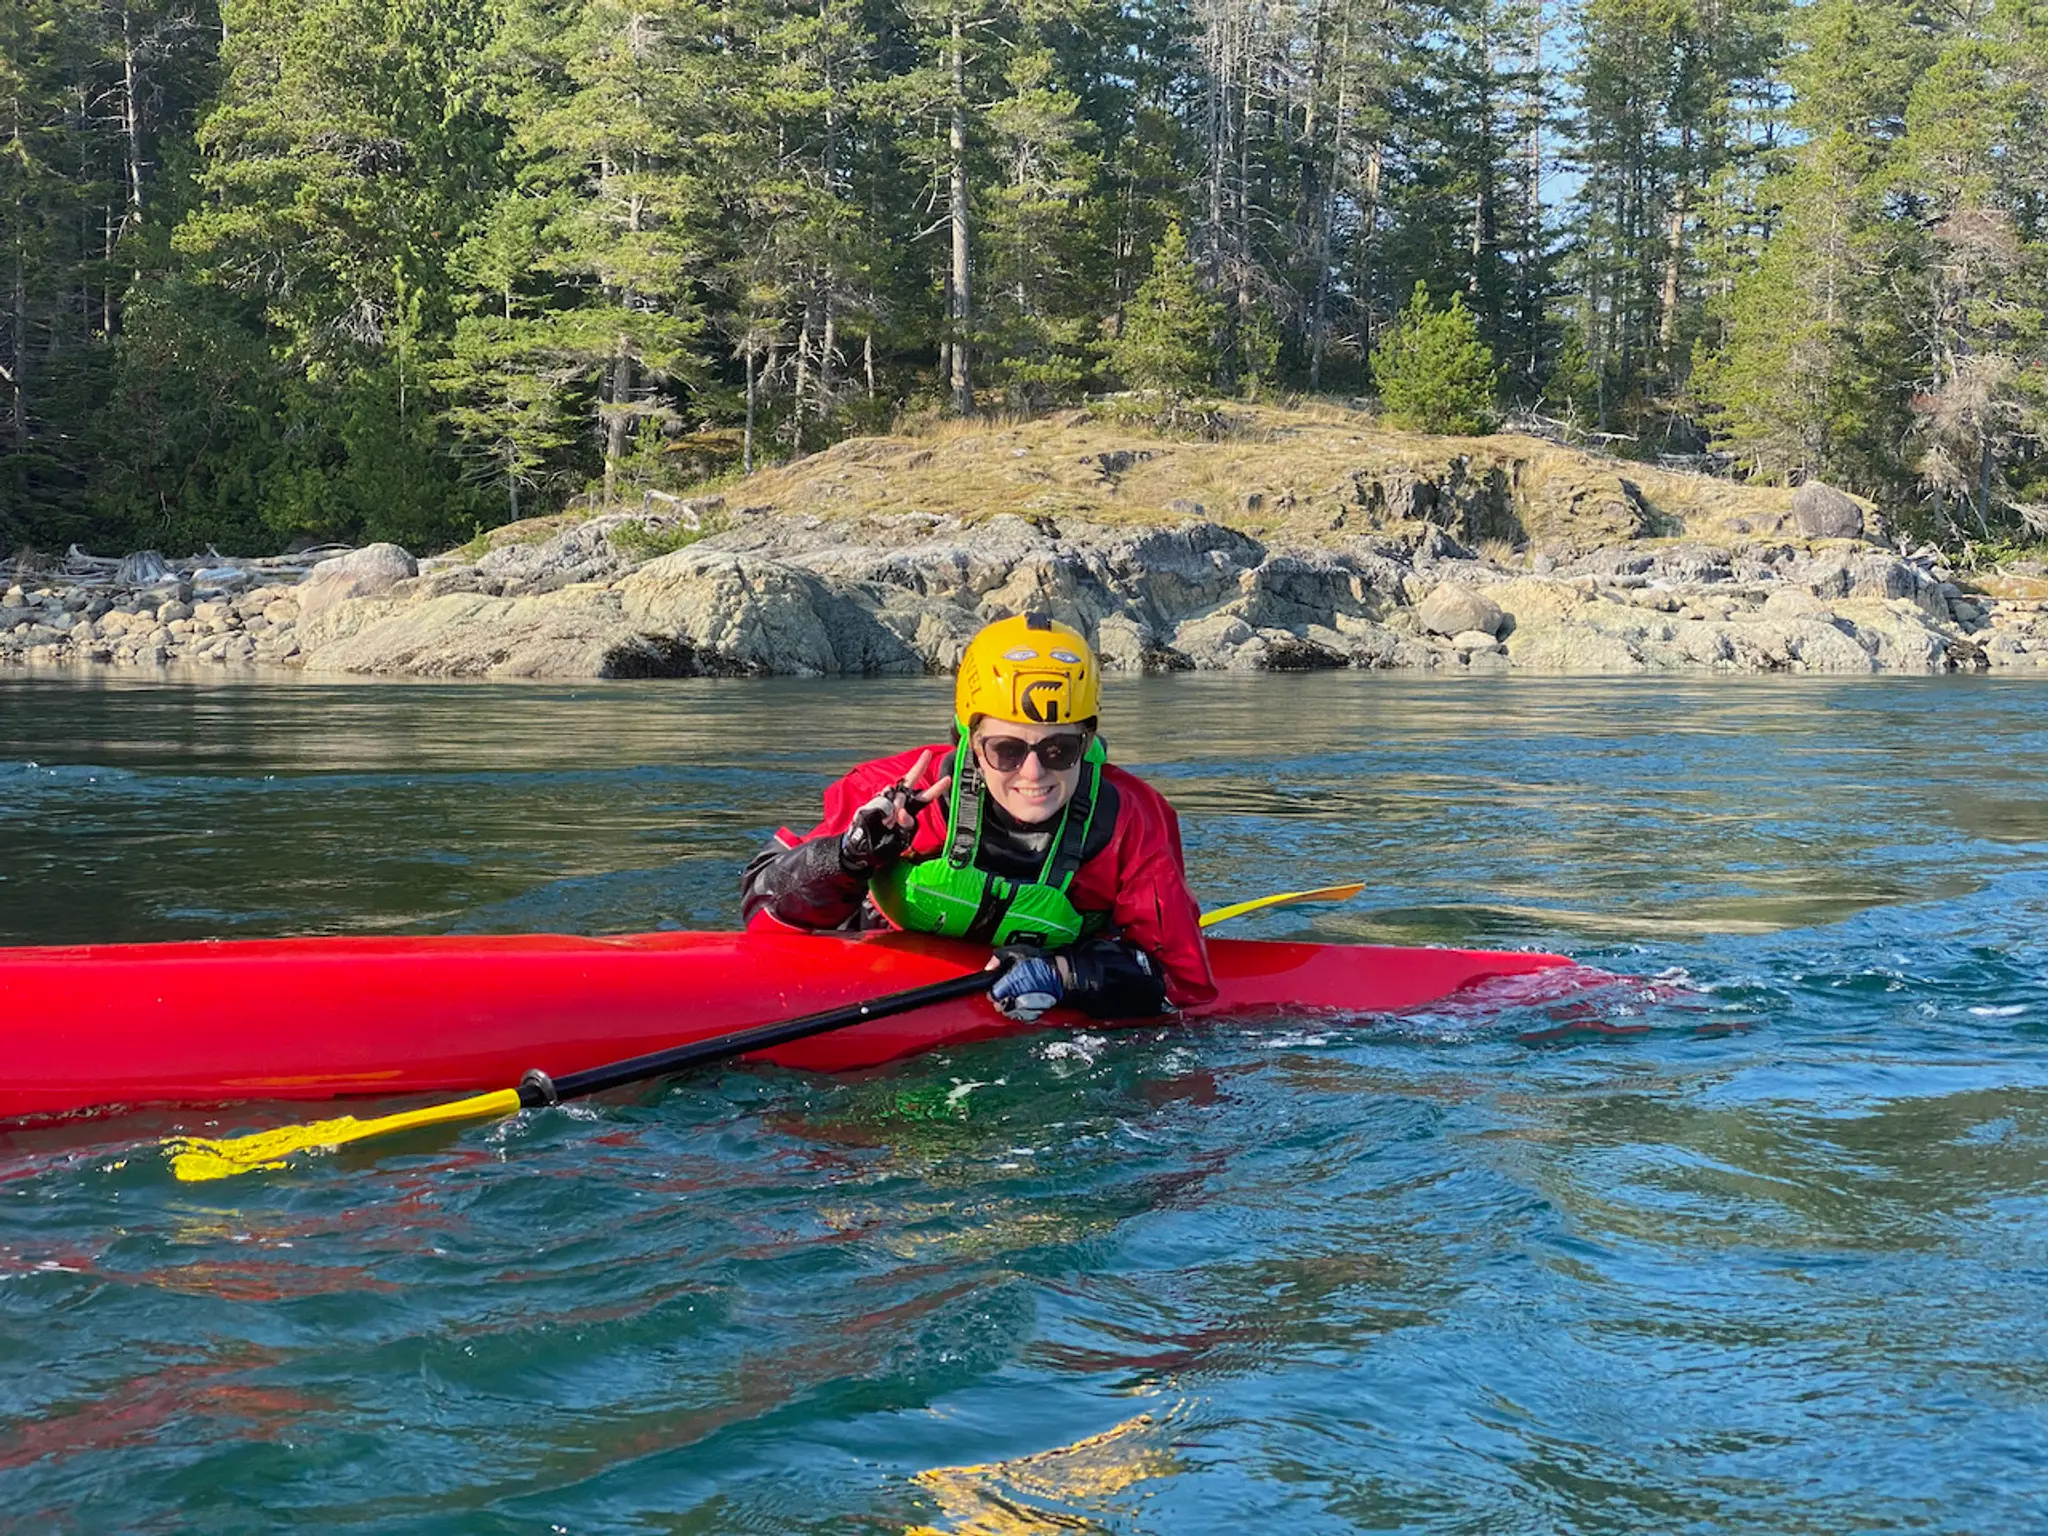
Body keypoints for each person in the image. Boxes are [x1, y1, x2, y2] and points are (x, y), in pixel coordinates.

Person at [742, 612, 1216, 1021]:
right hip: (869, 976)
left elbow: (1181, 984)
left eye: (1060, 748)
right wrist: (846, 859)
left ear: (1088, 743)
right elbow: (761, 912)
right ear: (968, 739)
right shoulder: (889, 793)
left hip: (1041, 994)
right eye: (1006, 749)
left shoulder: (1133, 820)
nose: (1034, 773)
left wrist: (1065, 976)